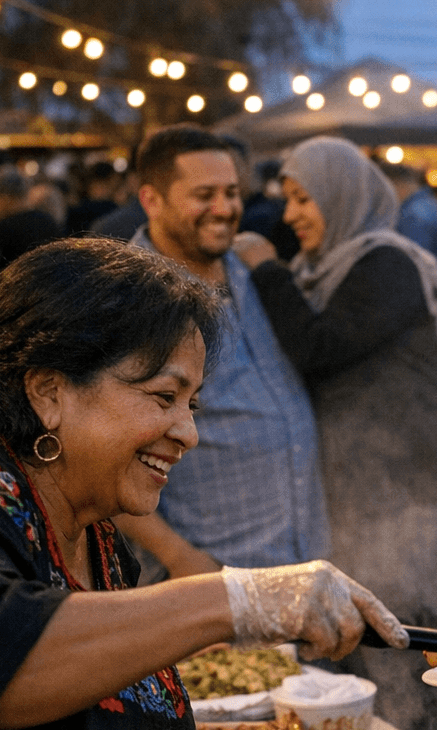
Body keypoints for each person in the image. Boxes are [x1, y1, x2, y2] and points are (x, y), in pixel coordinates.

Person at [0, 238, 408, 730]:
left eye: (193, 404)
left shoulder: (97, 534)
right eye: (162, 396)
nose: (188, 432)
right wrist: (234, 602)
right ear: (49, 391)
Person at [233, 135, 437, 730]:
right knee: (380, 647)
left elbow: (320, 347)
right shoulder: (328, 268)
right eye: (286, 199)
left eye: (302, 198)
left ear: (340, 196)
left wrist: (265, 270)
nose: (289, 216)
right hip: (363, 488)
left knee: (411, 643)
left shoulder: (386, 263)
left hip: (409, 487)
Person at [120, 125, 330, 582]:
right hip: (214, 578)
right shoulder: (128, 298)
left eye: (232, 192)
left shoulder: (251, 270)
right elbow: (97, 461)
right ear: (152, 200)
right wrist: (177, 557)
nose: (225, 208)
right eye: (205, 194)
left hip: (303, 561)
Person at [382, 159, 437, 319]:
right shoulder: (430, 205)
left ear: (392, 185)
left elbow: (413, 274)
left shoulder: (414, 216)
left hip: (429, 312)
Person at [0, 164, 61, 285]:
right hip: (48, 295)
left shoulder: (5, 226)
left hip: (13, 296)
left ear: (5, 197)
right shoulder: (49, 221)